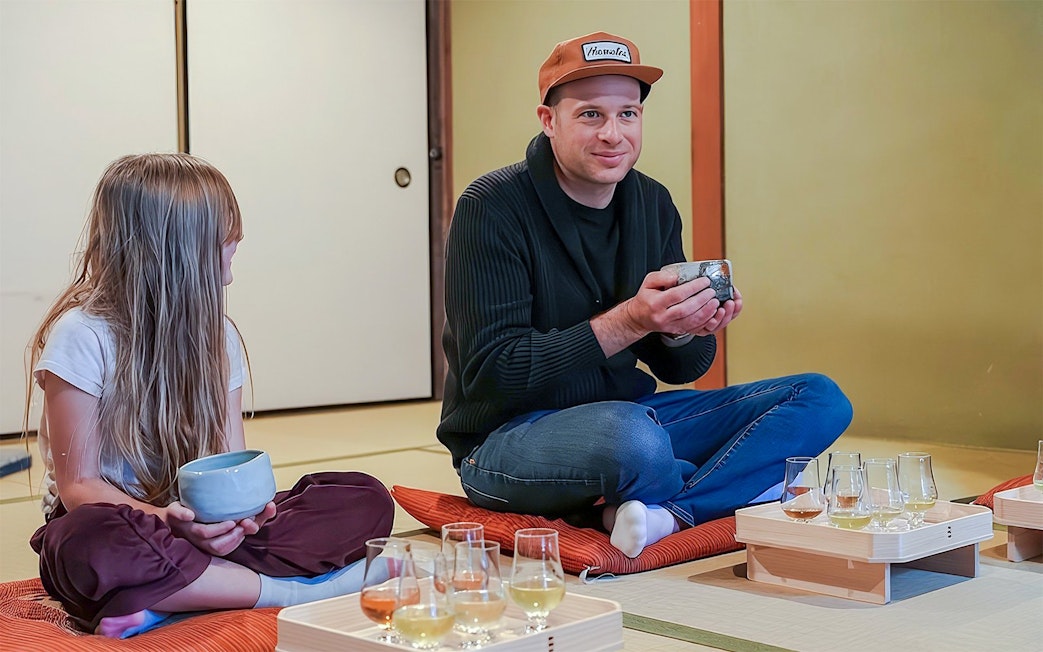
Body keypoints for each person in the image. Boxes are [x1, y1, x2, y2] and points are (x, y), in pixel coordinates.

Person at [437, 32, 853, 558]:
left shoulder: (652, 202)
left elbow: (680, 369)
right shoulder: (492, 205)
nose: (614, 134)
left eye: (628, 114)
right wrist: (631, 321)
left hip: (631, 415)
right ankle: (725, 488)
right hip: (507, 440)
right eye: (591, 115)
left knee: (819, 397)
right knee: (634, 439)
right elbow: (494, 372)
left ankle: (666, 511)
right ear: (549, 120)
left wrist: (684, 327)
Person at [25, 153, 394, 638]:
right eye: (225, 251)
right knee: (87, 544)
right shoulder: (82, 334)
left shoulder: (218, 336)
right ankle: (290, 592)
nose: (230, 272)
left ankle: (176, 594)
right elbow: (80, 488)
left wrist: (244, 516)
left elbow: (228, 459)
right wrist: (168, 522)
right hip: (126, 524)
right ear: (177, 253)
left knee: (363, 498)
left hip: (205, 527)